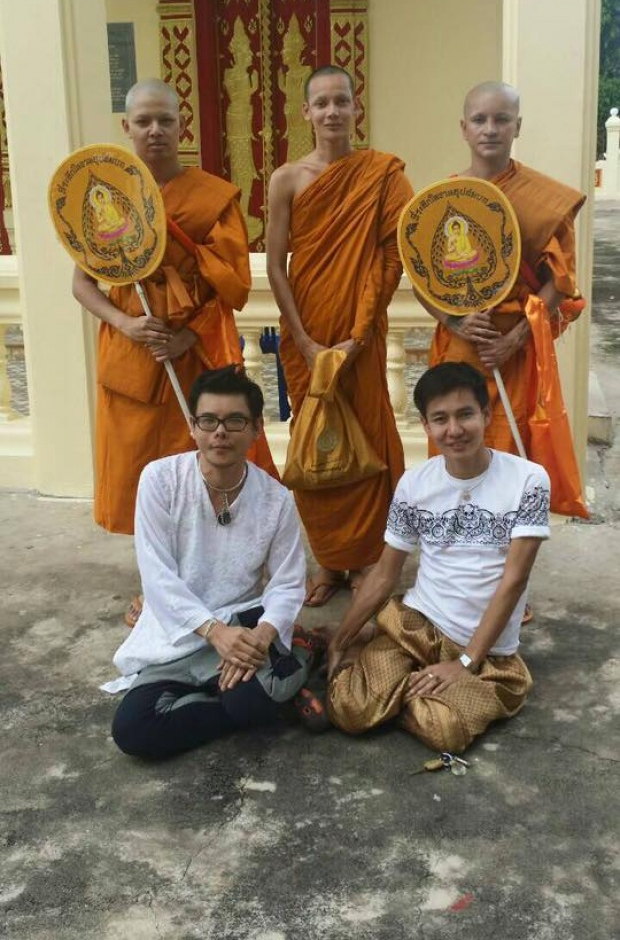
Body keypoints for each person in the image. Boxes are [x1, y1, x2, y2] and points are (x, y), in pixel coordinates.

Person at [72, 80, 276, 545]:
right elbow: (82, 284)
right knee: (138, 472)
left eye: (166, 120)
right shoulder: (109, 198)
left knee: (206, 463)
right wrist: (127, 324)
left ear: (182, 126)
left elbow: (233, 285)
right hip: (133, 358)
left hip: (193, 358)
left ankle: (216, 565)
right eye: (144, 121)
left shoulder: (212, 199)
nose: (156, 130)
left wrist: (189, 336)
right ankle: (153, 578)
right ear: (127, 127)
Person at [328, 362, 550, 754]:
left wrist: (464, 663)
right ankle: (396, 675)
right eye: (440, 419)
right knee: (349, 710)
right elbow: (384, 574)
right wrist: (340, 641)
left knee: (444, 730)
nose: (454, 430)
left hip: (486, 652)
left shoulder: (528, 481)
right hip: (415, 626)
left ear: (486, 415)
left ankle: (402, 688)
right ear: (426, 426)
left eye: (465, 414)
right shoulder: (415, 484)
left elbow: (513, 580)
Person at [108, 367, 327, 760]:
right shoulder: (160, 480)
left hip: (244, 627)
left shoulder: (275, 499)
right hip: (177, 631)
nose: (220, 432)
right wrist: (213, 633)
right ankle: (276, 684)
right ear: (193, 426)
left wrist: (261, 637)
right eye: (208, 420)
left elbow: (288, 582)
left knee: (248, 702)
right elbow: (157, 577)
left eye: (235, 421)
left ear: (257, 428)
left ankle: (293, 656)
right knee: (134, 730)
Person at [266, 65, 413, 606]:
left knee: (367, 440)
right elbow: (277, 264)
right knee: (317, 445)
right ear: (305, 112)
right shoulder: (286, 179)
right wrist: (304, 341)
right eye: (321, 103)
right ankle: (329, 561)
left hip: (362, 336)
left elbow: (395, 254)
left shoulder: (383, 175)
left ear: (356, 108)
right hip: (308, 336)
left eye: (341, 102)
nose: (332, 112)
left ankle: (366, 559)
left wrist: (358, 334)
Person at [424, 80, 586, 518]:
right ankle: (454, 532)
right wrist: (454, 322)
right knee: (453, 434)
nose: (490, 129)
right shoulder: (444, 199)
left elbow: (561, 281)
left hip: (513, 348)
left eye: (501, 119)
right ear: (463, 127)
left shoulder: (543, 200)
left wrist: (514, 339)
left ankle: (506, 540)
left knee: (509, 441)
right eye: (479, 119)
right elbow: (424, 277)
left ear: (518, 126)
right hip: (464, 344)